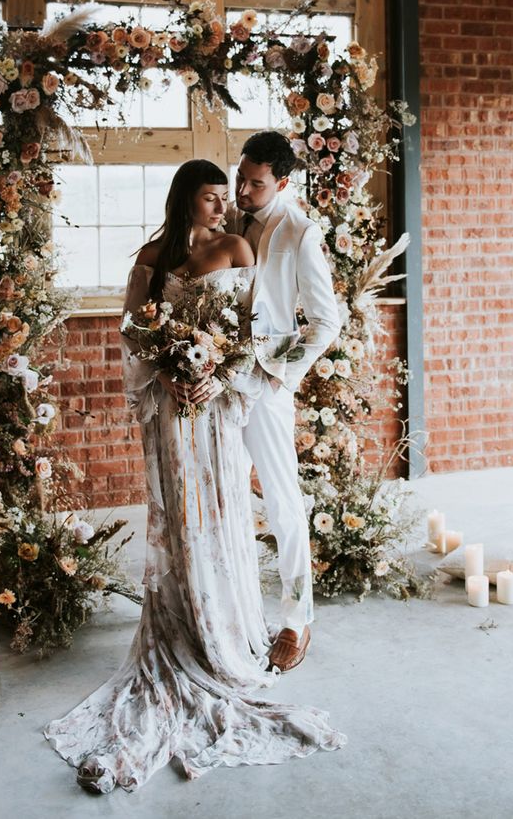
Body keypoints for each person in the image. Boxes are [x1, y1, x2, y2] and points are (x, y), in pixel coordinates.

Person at [44, 159, 346, 793]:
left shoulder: (239, 247)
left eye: (228, 195)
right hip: (170, 411)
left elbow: (251, 330)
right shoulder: (152, 258)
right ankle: (179, 622)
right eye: (211, 197)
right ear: (186, 200)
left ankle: (230, 626)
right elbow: (132, 332)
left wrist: (217, 371)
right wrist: (167, 366)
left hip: (219, 406)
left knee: (228, 509)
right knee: (180, 518)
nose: (224, 206)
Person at [225, 131, 347, 673]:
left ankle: (298, 620)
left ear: (283, 182)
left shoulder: (299, 230)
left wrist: (283, 373)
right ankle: (231, 610)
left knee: (281, 500)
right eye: (240, 178)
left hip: (266, 385)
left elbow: (327, 321)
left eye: (255, 184)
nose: (243, 191)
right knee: (223, 498)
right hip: (217, 382)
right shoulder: (223, 217)